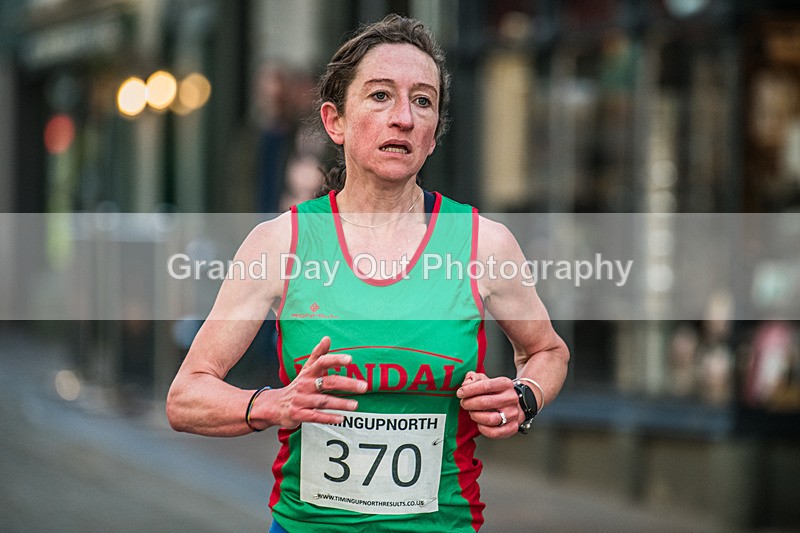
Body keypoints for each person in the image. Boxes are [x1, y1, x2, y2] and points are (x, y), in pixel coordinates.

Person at [166, 14, 569, 532]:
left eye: (422, 101)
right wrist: (274, 404)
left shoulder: (483, 244)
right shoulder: (280, 244)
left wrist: (524, 397)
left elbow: (548, 351)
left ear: (433, 136)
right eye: (381, 96)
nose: (403, 117)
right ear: (335, 121)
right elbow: (185, 397)